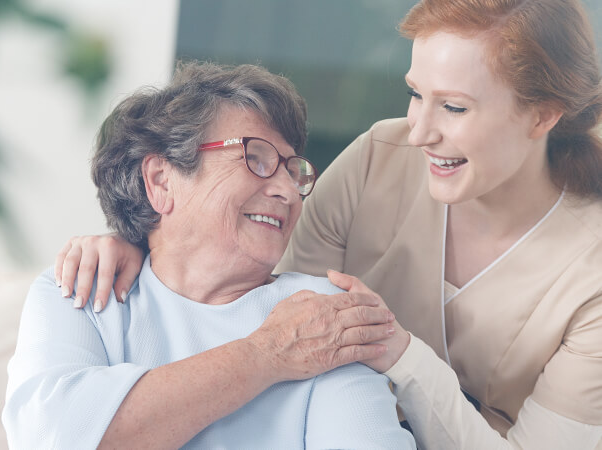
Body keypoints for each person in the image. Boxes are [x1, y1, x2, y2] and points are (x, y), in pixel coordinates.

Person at [55, 0, 602, 448]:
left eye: (454, 108)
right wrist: (142, 240)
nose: (418, 133)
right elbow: (262, 303)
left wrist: (401, 354)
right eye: (416, 94)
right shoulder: (379, 159)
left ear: (542, 114)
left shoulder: (591, 273)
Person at [2, 61, 416, 449]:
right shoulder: (83, 289)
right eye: (256, 160)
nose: (289, 192)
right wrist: (267, 353)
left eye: (293, 171)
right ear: (162, 181)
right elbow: (49, 436)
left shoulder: (323, 318)